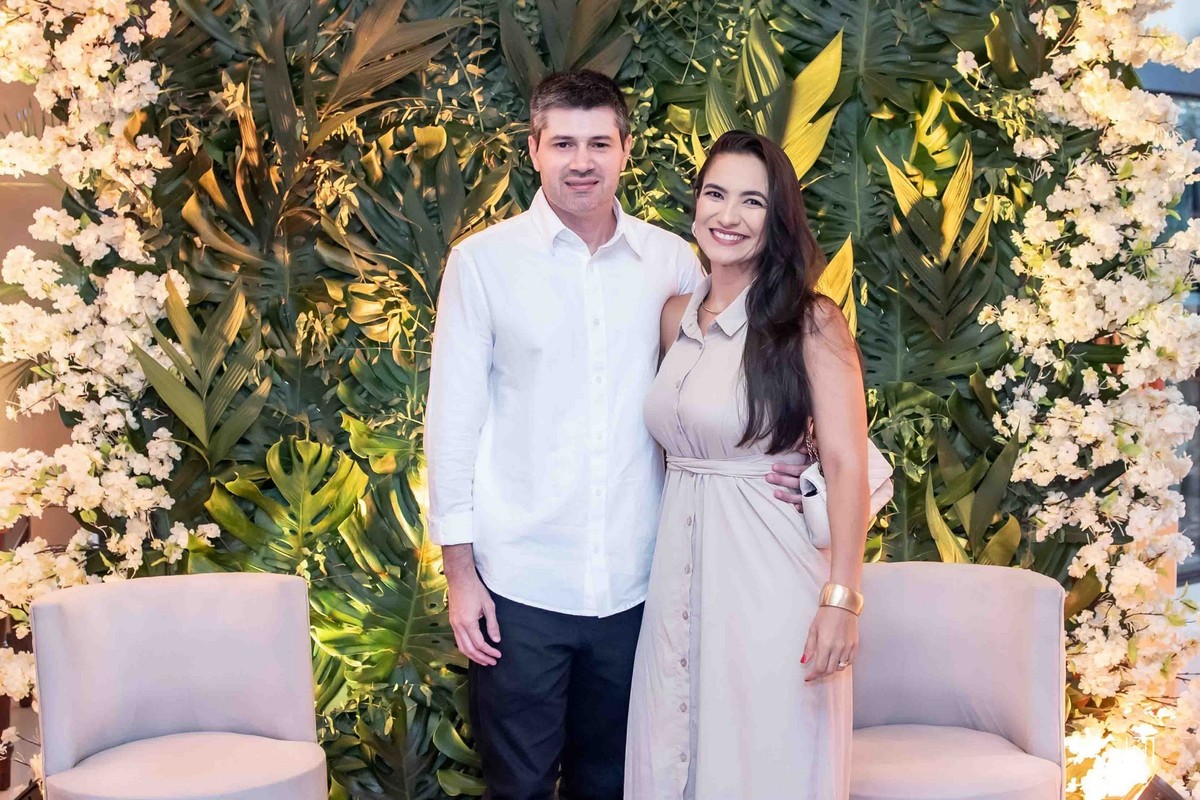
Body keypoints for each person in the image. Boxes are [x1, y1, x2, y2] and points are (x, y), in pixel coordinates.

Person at [425, 73, 808, 798]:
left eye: (599, 143)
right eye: (563, 143)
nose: (582, 161)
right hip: (518, 586)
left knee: (620, 784)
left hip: (642, 587)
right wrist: (461, 574)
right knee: (519, 786)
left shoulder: (673, 263)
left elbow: (736, 380)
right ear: (534, 149)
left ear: (626, 150)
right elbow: (452, 422)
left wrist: (800, 452)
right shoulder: (483, 264)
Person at [624, 130, 870, 799]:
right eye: (715, 194)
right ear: (696, 203)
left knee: (764, 755)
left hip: (769, 574)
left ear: (777, 218)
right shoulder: (675, 318)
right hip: (676, 576)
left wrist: (841, 601)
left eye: (752, 201)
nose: (728, 215)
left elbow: (847, 461)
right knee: (672, 748)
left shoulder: (811, 322)